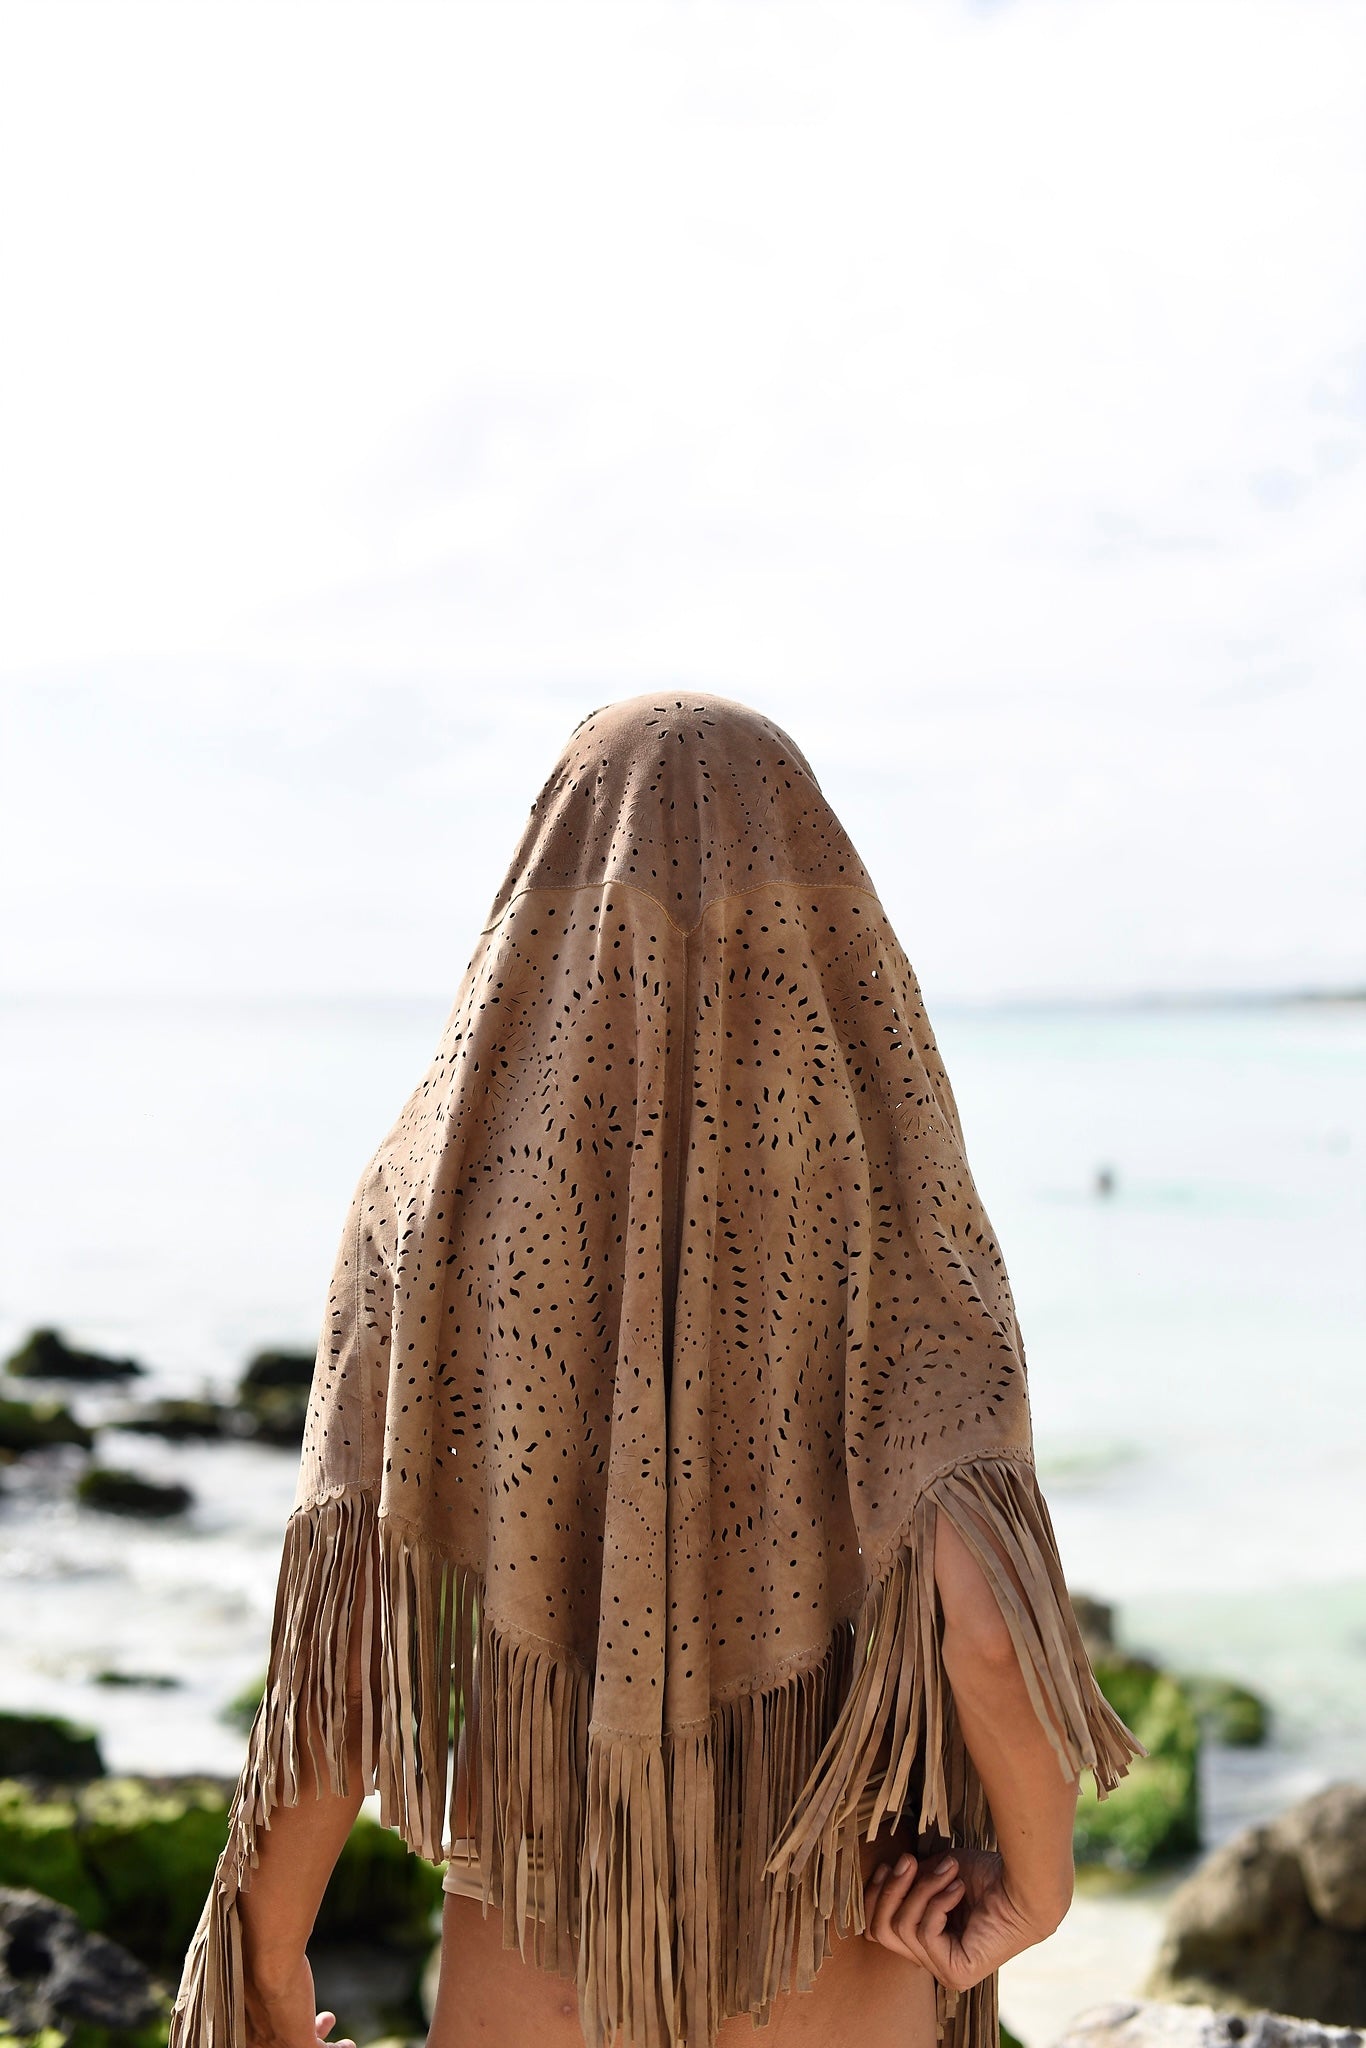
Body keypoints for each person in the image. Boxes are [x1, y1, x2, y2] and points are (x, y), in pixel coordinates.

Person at [172, 693, 1145, 2048]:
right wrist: (1032, 1886)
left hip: (537, 1976)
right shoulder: (893, 1212)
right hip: (839, 1960)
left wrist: (265, 1968)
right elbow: (982, 1627)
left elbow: (340, 1671)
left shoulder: (426, 1205)